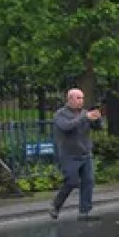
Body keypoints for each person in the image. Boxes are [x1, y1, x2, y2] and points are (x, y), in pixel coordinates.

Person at [50, 88, 104, 221]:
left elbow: (98, 128)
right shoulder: (60, 114)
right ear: (70, 99)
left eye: (82, 98)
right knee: (71, 182)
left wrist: (97, 118)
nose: (81, 101)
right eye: (78, 98)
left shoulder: (84, 113)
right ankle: (56, 205)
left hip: (85, 152)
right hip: (69, 154)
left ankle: (85, 212)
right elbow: (66, 127)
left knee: (88, 181)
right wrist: (84, 117)